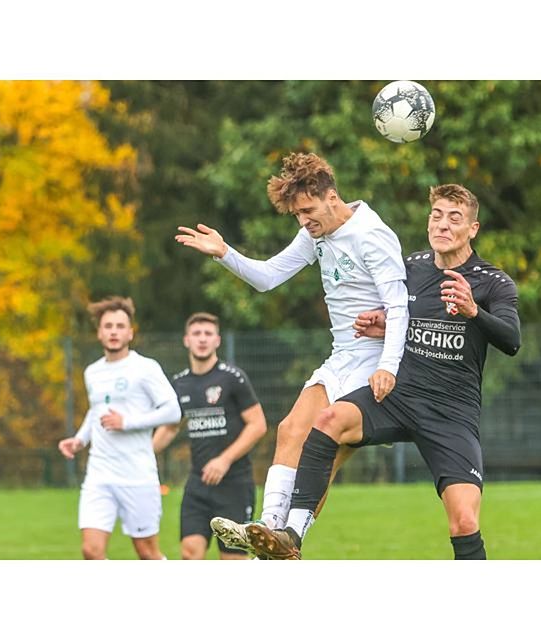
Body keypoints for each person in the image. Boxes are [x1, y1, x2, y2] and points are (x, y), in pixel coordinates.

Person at [243, 183, 521, 560]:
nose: (442, 225)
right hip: (398, 395)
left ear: (473, 228)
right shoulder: (412, 268)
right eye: (436, 215)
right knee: (328, 419)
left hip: (450, 414)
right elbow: (397, 309)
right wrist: (382, 322)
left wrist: (475, 312)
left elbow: (511, 340)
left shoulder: (492, 282)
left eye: (454, 218)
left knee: (464, 522)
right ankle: (290, 535)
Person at [175, 152, 409, 552]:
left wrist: (388, 366)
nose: (303, 221)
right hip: (341, 358)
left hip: (373, 361)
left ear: (331, 196)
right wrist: (225, 253)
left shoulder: (371, 234)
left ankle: (290, 536)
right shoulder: (313, 234)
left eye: (308, 211)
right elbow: (268, 277)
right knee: (289, 430)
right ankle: (266, 529)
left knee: (320, 456)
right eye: (297, 215)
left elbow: (399, 305)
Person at [57, 296, 182, 559]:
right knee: (91, 551)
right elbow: (96, 411)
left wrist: (128, 423)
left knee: (147, 553)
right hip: (99, 475)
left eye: (120, 326)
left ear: (130, 332)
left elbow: (173, 411)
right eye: (108, 326)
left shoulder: (145, 368)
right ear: (99, 333)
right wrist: (79, 440)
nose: (114, 331)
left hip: (137, 475)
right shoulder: (92, 372)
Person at [152, 312, 268, 559]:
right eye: (196, 334)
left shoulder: (232, 377)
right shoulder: (179, 383)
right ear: (186, 340)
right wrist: (143, 454)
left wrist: (224, 460)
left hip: (235, 484)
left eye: (208, 334)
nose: (202, 339)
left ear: (217, 340)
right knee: (189, 554)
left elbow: (257, 425)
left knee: (233, 559)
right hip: (198, 484)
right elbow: (171, 427)